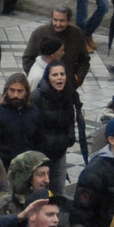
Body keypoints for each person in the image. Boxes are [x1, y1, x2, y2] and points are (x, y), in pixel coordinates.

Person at [34, 59, 80, 195]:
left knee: (59, 191)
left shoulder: (69, 94)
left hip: (60, 152)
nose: (59, 78)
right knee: (41, 192)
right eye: (55, 75)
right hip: (41, 154)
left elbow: (70, 119)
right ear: (48, 77)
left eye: (62, 74)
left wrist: (69, 138)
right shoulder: (37, 97)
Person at [0, 73, 42, 166]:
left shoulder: (34, 113)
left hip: (29, 166)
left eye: (20, 91)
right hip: (3, 167)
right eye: (12, 90)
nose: (15, 95)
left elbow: (39, 142)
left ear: (26, 92)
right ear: (6, 91)